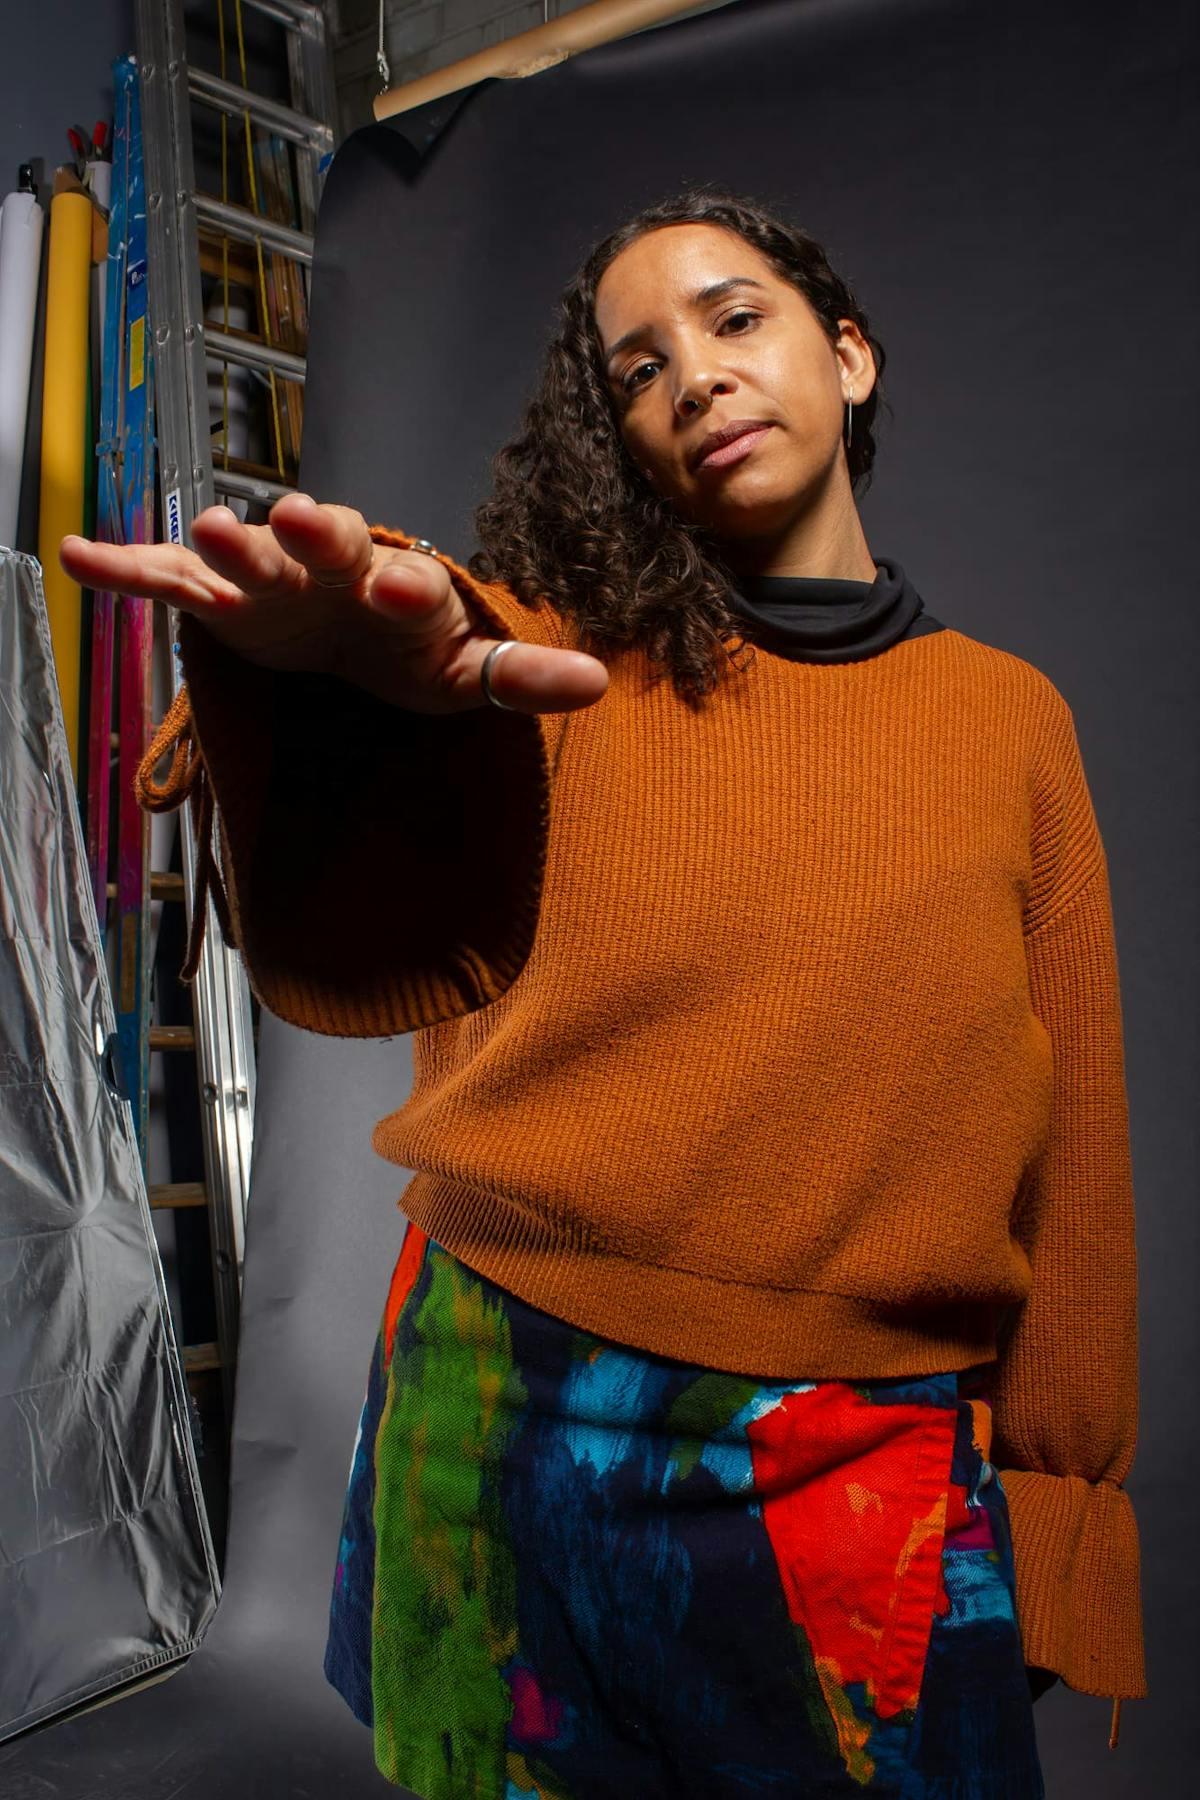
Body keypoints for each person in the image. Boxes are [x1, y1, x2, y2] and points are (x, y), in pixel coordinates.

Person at [59, 185, 1144, 1798]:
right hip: (496, 1412)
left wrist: (1057, 1516)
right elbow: (398, 715)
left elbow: (1078, 1162)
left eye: (734, 317)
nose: (694, 377)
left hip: (863, 1463)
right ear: (620, 439)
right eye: (637, 369)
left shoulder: (1012, 722)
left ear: (848, 356)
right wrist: (319, 693)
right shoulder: (536, 662)